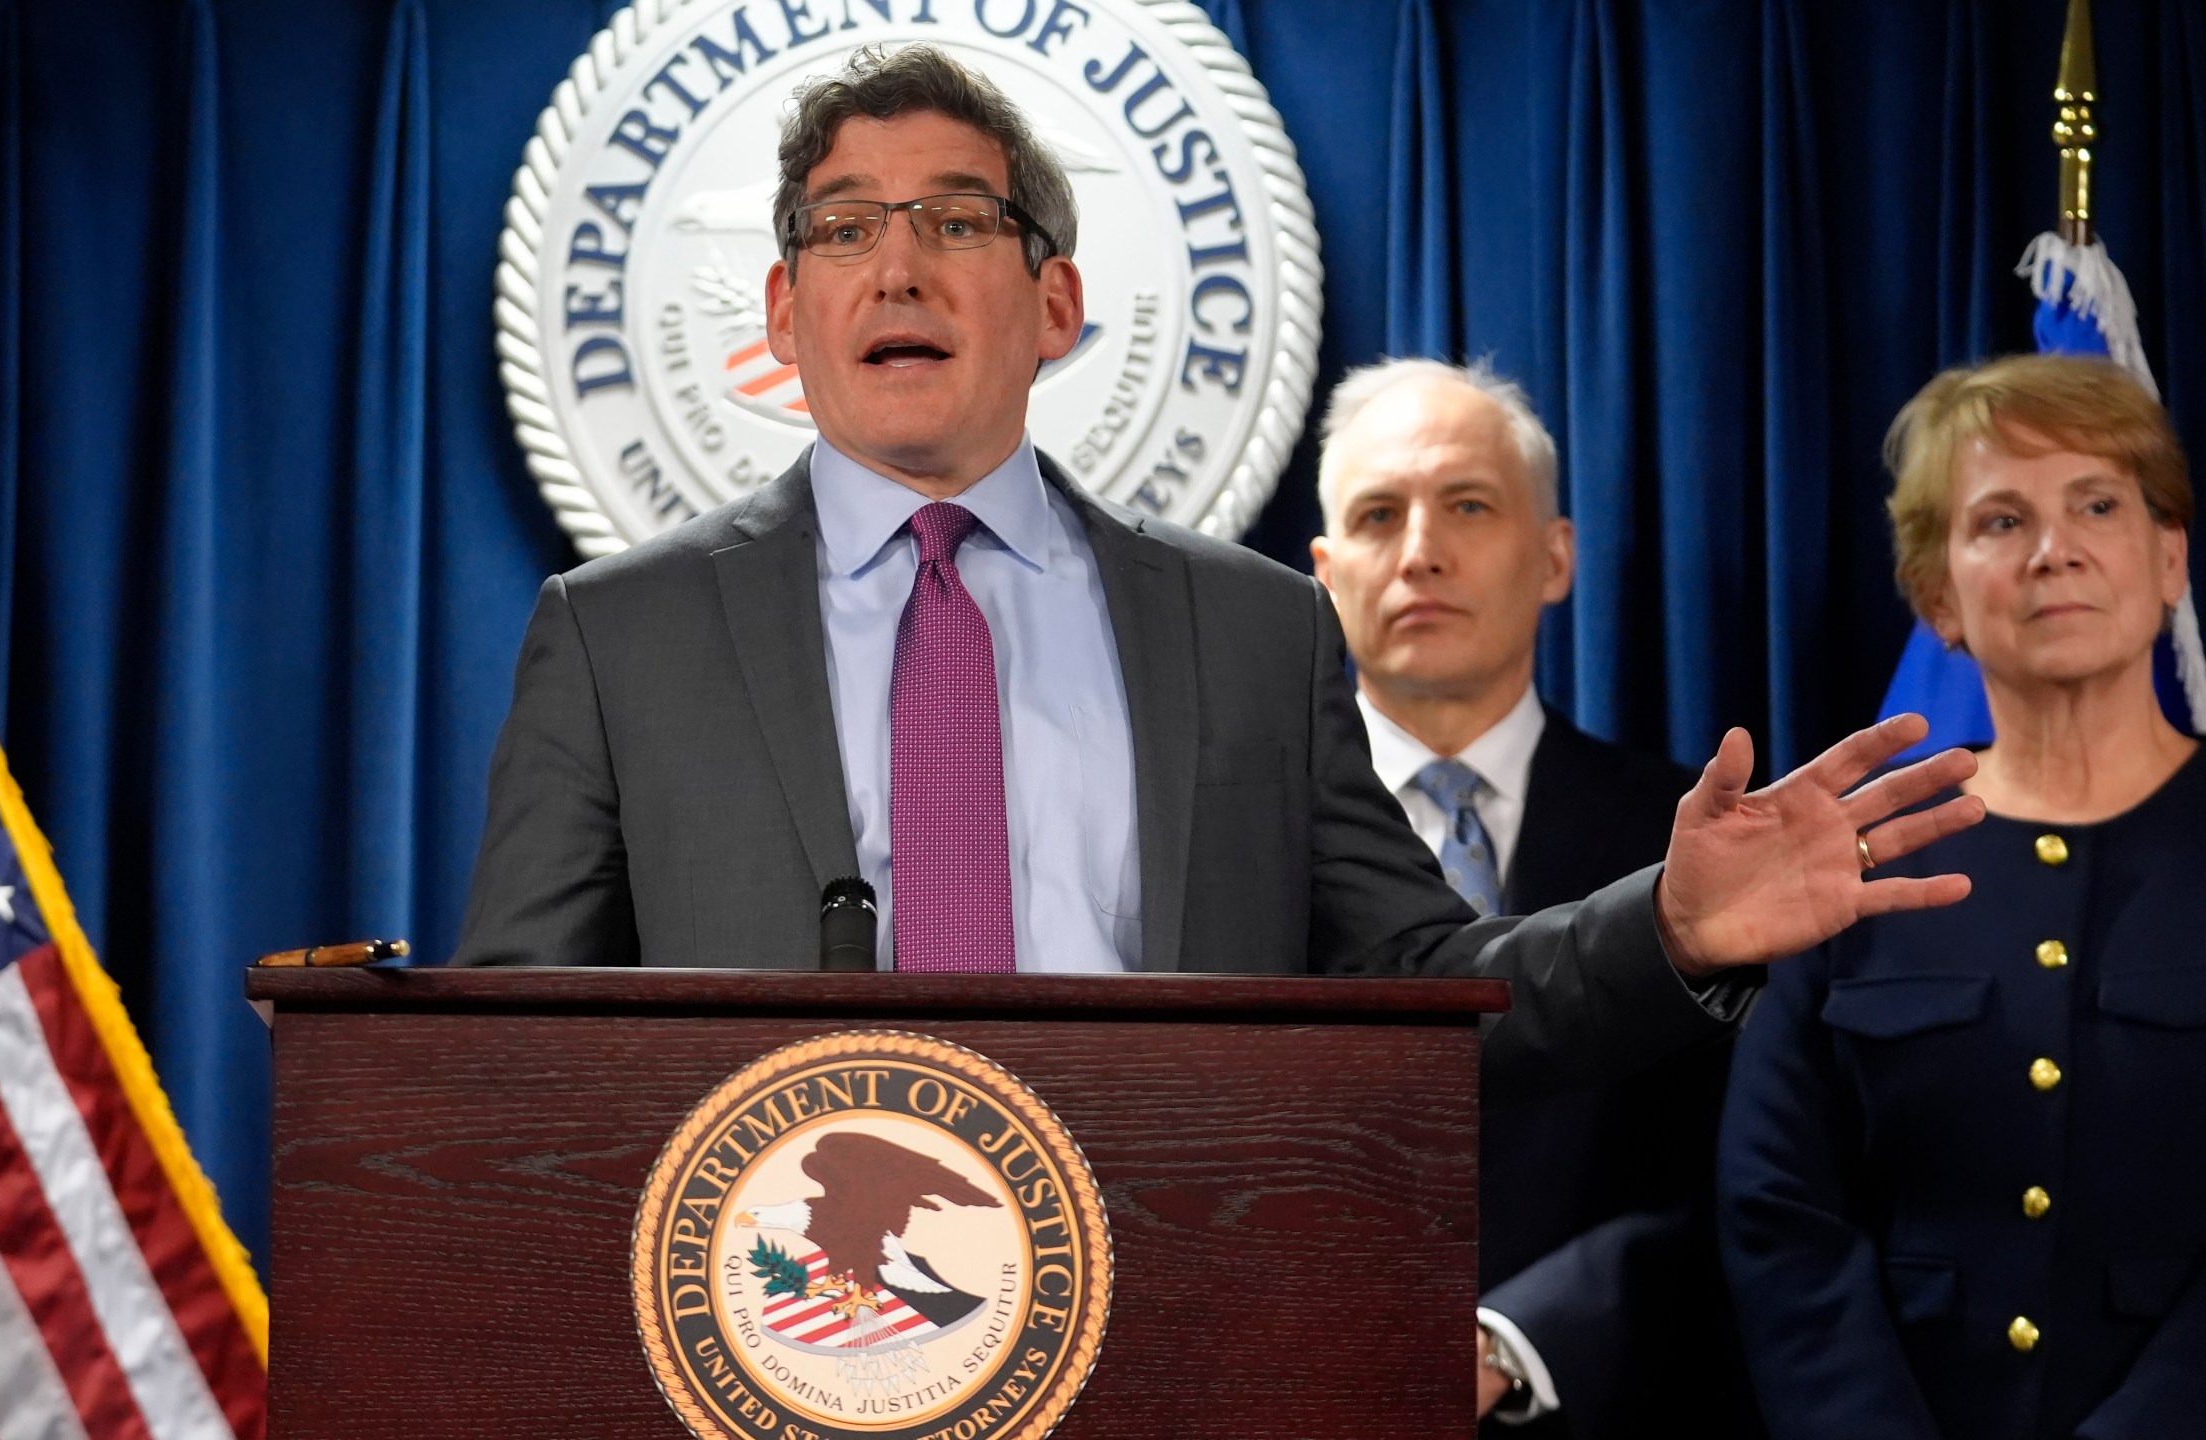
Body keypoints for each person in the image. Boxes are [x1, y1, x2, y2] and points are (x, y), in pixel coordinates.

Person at [452, 44, 1983, 1102]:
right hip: (767, 1355)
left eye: (955, 220)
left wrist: (1665, 929)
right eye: (845, 229)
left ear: (1053, 302)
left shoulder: (1252, 631)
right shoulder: (617, 638)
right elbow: (509, 1062)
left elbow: (1411, 981)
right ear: (786, 312)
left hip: (1173, 1315)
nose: (897, 264)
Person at [1718, 353, 2206, 1440]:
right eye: (2000, 521)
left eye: (2097, 504)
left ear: (2169, 557)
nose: (2055, 551)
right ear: (1938, 597)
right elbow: (1778, 1209)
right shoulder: (1853, 855)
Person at [1312, 360, 1755, 1437]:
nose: (1420, 551)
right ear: (1321, 575)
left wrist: (1518, 1341)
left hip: (1617, 1399)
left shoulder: (1699, 843)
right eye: (1379, 516)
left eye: (1467, 505)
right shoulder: (1238, 844)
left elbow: (1749, 1171)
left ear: (1554, 556)